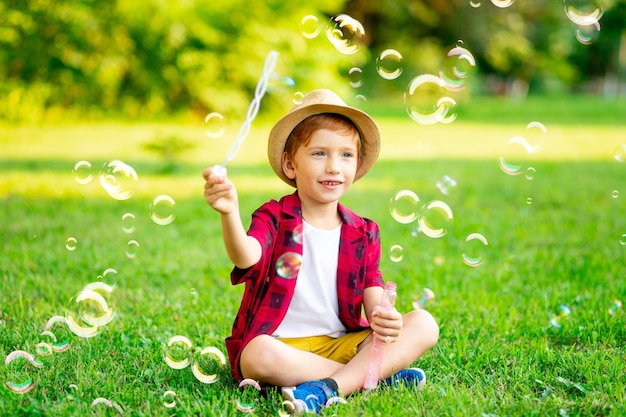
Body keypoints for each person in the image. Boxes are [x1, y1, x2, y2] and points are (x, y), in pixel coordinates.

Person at [203, 89, 439, 414]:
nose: (333, 167)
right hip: (281, 347)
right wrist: (229, 212)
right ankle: (372, 378)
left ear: (357, 166)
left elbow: (373, 295)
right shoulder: (274, 217)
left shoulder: (364, 231)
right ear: (290, 164)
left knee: (424, 324)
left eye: (346, 155)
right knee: (256, 355)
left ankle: (330, 387)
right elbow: (246, 256)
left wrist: (385, 319)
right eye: (318, 154)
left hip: (340, 344)